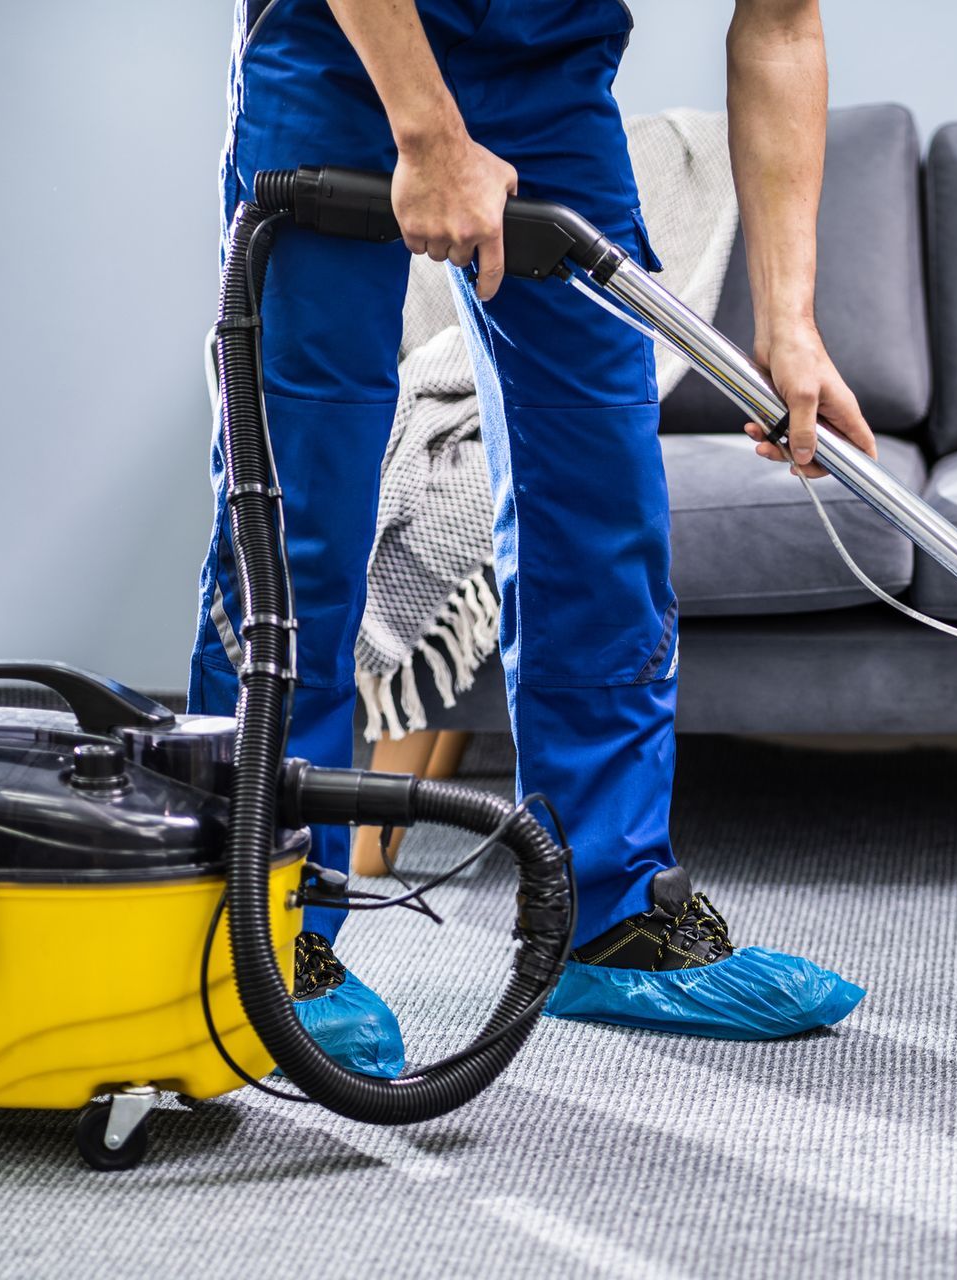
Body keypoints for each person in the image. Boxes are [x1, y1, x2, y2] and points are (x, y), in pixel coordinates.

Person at [190, 0, 874, 1068]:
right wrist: (427, 134)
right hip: (341, 52)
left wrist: (788, 320)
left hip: (547, 74)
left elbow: (781, 26)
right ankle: (262, 926)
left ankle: (611, 915)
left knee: (598, 493)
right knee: (301, 507)